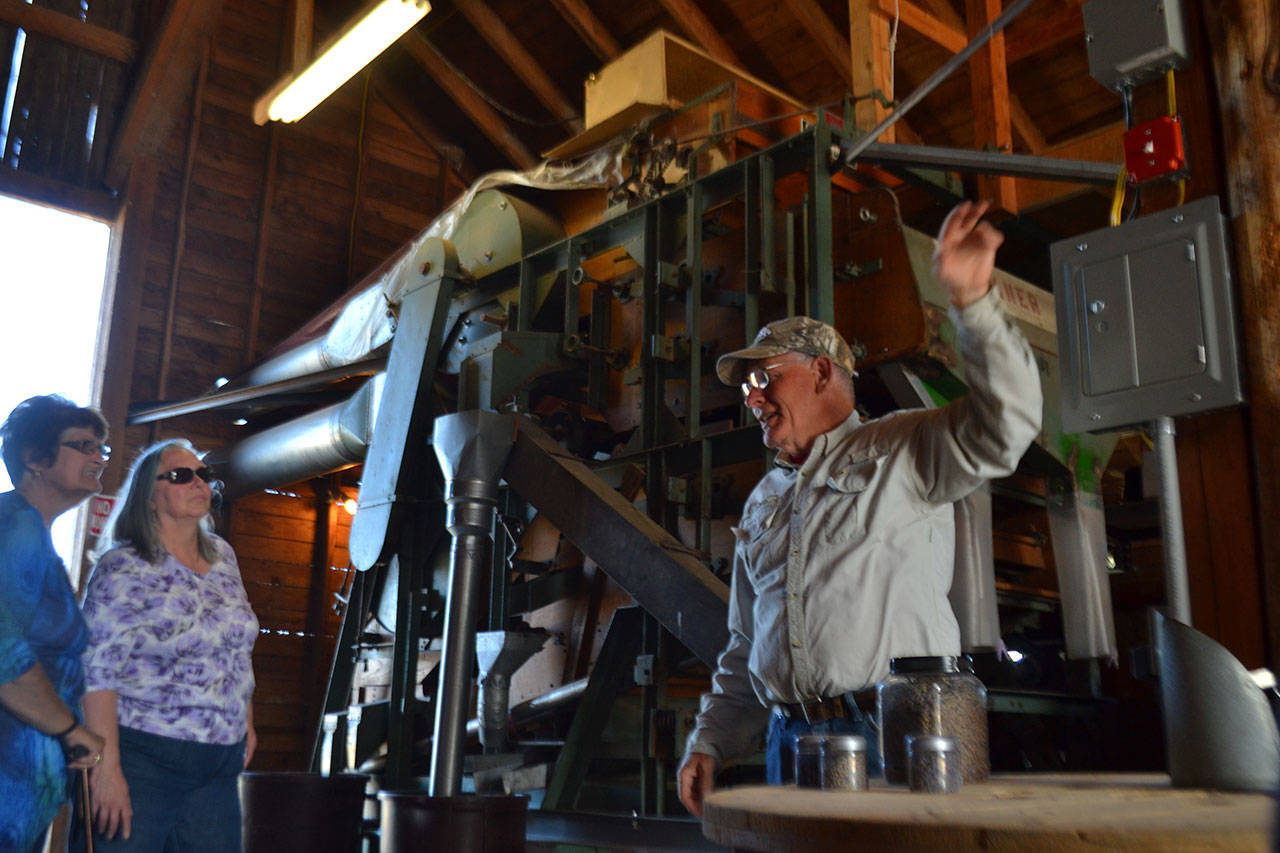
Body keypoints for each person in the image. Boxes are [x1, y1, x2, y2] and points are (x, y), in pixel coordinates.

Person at [677, 201, 1043, 817]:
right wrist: (709, 740)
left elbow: (1008, 423)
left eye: (764, 379)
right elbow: (746, 643)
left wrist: (973, 304)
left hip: (890, 736)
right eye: (746, 388)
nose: (752, 400)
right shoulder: (765, 501)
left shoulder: (900, 449)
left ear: (822, 372)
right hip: (787, 742)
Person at [80, 439, 258, 851]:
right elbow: (96, 672)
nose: (198, 482)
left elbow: (235, 646)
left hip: (219, 762)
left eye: (204, 474)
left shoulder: (224, 557)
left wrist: (245, 720)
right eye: (180, 476)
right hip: (145, 758)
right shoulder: (124, 566)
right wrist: (106, 772)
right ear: (149, 496)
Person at [0, 395, 109, 852]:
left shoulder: (34, 533)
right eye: (83, 446)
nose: (98, 458)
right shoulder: (15, 526)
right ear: (34, 458)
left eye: (101, 448)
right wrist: (69, 729)